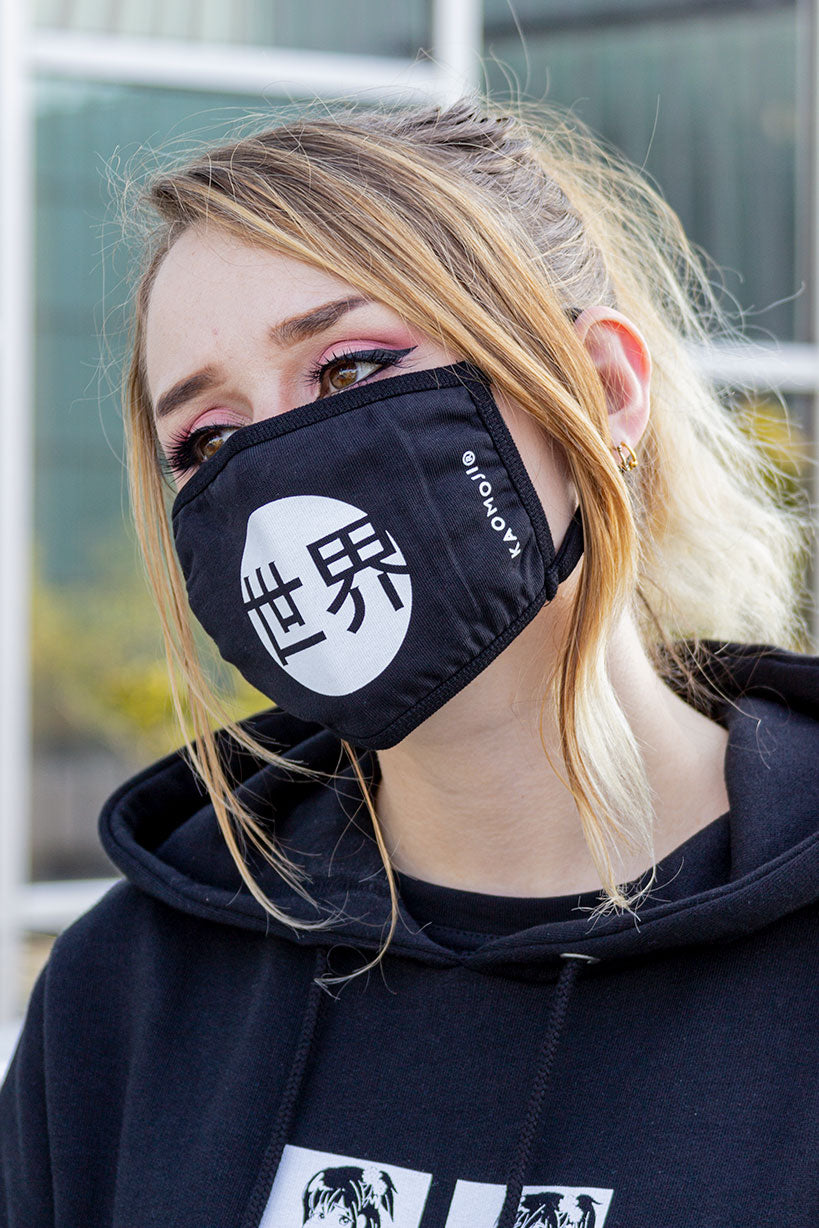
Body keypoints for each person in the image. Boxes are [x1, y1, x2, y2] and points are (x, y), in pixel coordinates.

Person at [1, 99, 817, 1228]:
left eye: (347, 371)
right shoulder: (128, 997)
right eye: (209, 439)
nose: (273, 476)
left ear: (602, 387)